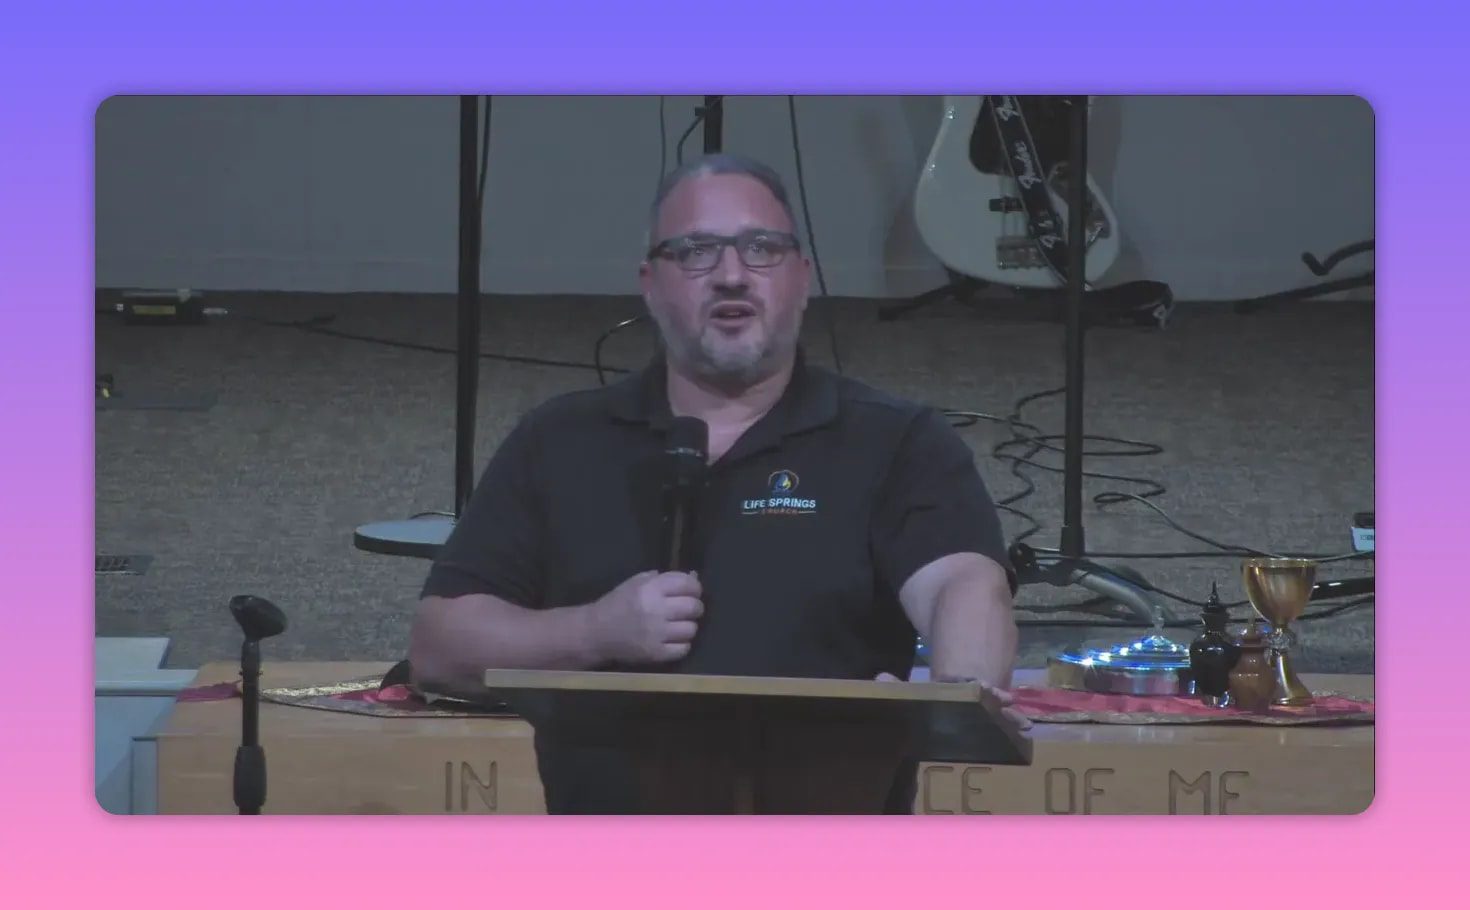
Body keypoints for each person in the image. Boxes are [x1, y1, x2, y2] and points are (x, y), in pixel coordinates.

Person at [408, 152, 1023, 813]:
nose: (732, 275)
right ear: (649, 284)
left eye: (762, 249)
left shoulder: (894, 440)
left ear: (803, 277)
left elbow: (965, 584)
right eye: (697, 252)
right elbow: (442, 646)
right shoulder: (560, 439)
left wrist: (956, 693)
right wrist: (594, 630)